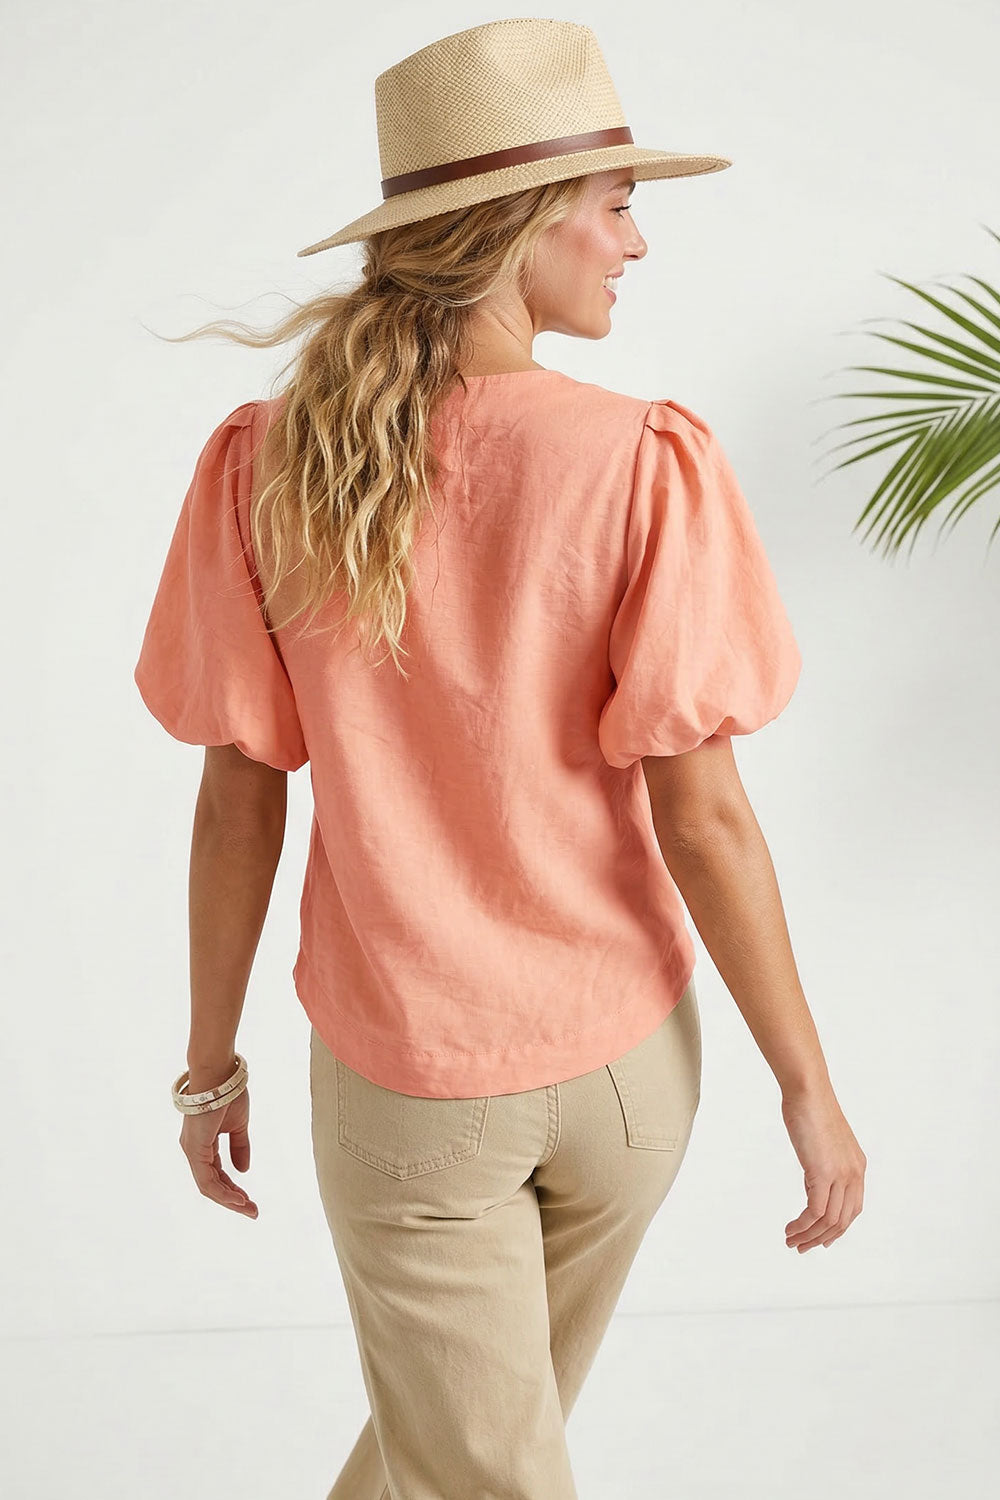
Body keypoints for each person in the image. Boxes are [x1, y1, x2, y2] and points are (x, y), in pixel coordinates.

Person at [134, 18, 866, 1500]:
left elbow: (235, 804)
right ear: (521, 225)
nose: (637, 241)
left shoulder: (267, 466)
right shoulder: (643, 458)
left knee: (472, 1464)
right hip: (631, 1075)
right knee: (462, 1458)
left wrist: (210, 1072)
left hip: (412, 1088)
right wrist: (807, 1083)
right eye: (615, 205)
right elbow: (707, 817)